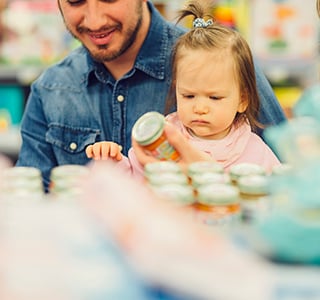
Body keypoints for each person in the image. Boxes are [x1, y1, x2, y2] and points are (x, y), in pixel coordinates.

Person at [16, 0, 285, 192]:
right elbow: (30, 205)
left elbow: (292, 188)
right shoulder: (50, 89)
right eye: (75, 1)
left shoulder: (219, 62)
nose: (95, 19)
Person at [86, 0, 281, 179]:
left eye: (214, 97)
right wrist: (114, 163)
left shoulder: (254, 151)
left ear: (242, 100)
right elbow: (136, 180)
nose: (200, 108)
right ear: (176, 89)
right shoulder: (164, 139)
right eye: (188, 95)